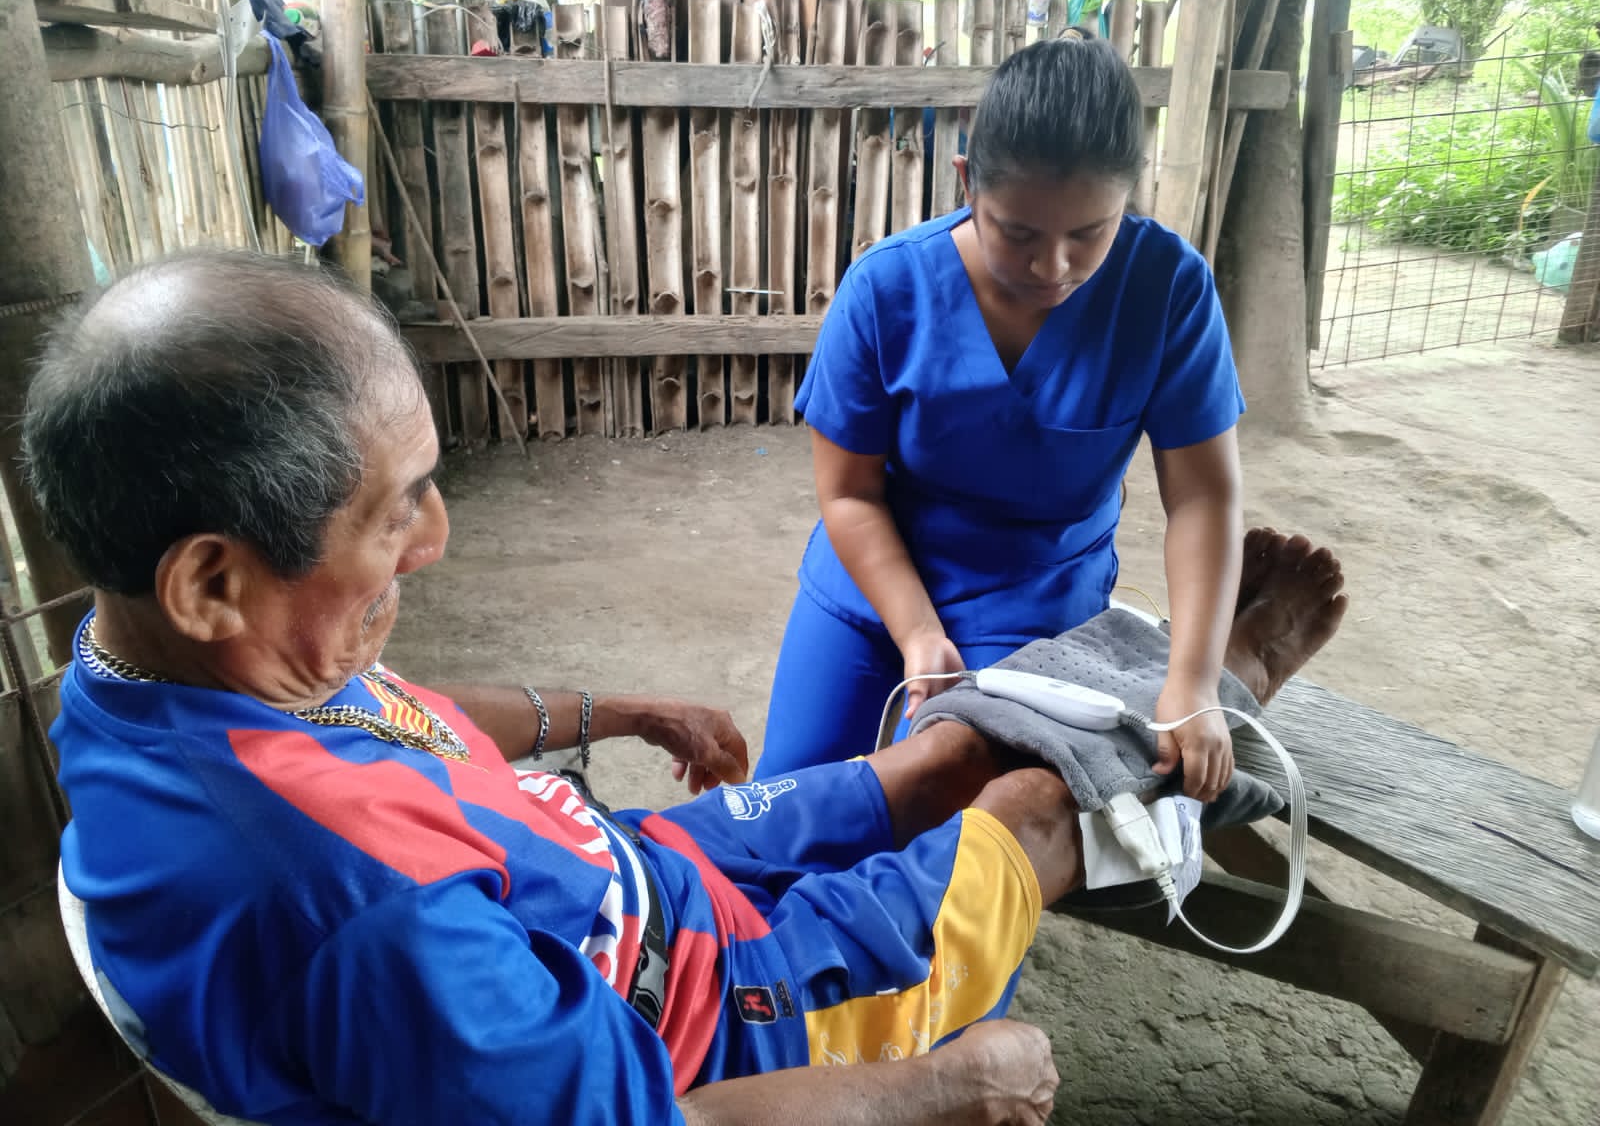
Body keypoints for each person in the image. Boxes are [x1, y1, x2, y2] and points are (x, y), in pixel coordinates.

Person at [26, 253, 1344, 1126]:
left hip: (622, 872)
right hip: (708, 1015)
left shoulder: (142, 673)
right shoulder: (373, 920)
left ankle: (1158, 702)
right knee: (1030, 811)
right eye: (396, 510)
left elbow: (397, 715)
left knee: (935, 759)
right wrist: (942, 1090)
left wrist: (616, 710)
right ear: (213, 580)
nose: (435, 538)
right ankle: (1222, 694)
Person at [759, 38, 1248, 798]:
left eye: (1090, 232)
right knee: (786, 798)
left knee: (946, 809)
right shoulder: (886, 290)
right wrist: (917, 630)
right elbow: (849, 494)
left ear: (1130, 195)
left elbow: (1203, 496)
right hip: (872, 578)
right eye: (1017, 233)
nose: (1053, 268)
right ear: (966, 181)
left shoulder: (1169, 288)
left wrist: (1193, 680)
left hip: (1034, 595)